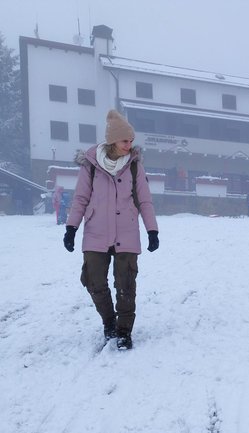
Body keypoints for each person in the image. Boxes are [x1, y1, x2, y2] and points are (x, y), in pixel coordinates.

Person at [63, 109, 159, 351]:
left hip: (126, 231)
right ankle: (109, 323)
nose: (130, 145)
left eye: (131, 140)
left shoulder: (135, 166)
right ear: (113, 140)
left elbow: (144, 201)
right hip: (96, 231)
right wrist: (71, 227)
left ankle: (124, 332)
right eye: (125, 140)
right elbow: (81, 198)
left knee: (126, 284)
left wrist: (152, 231)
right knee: (93, 281)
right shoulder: (91, 165)